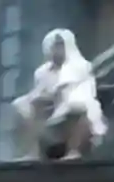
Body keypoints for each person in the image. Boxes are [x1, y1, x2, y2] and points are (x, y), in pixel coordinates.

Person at [11, 29, 107, 160]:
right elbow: (37, 93)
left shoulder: (82, 67)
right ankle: (33, 152)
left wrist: (57, 97)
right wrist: (39, 99)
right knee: (21, 105)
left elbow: (83, 92)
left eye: (61, 45)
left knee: (77, 104)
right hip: (50, 110)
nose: (57, 49)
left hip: (75, 109)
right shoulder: (41, 72)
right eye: (55, 45)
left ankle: (74, 151)